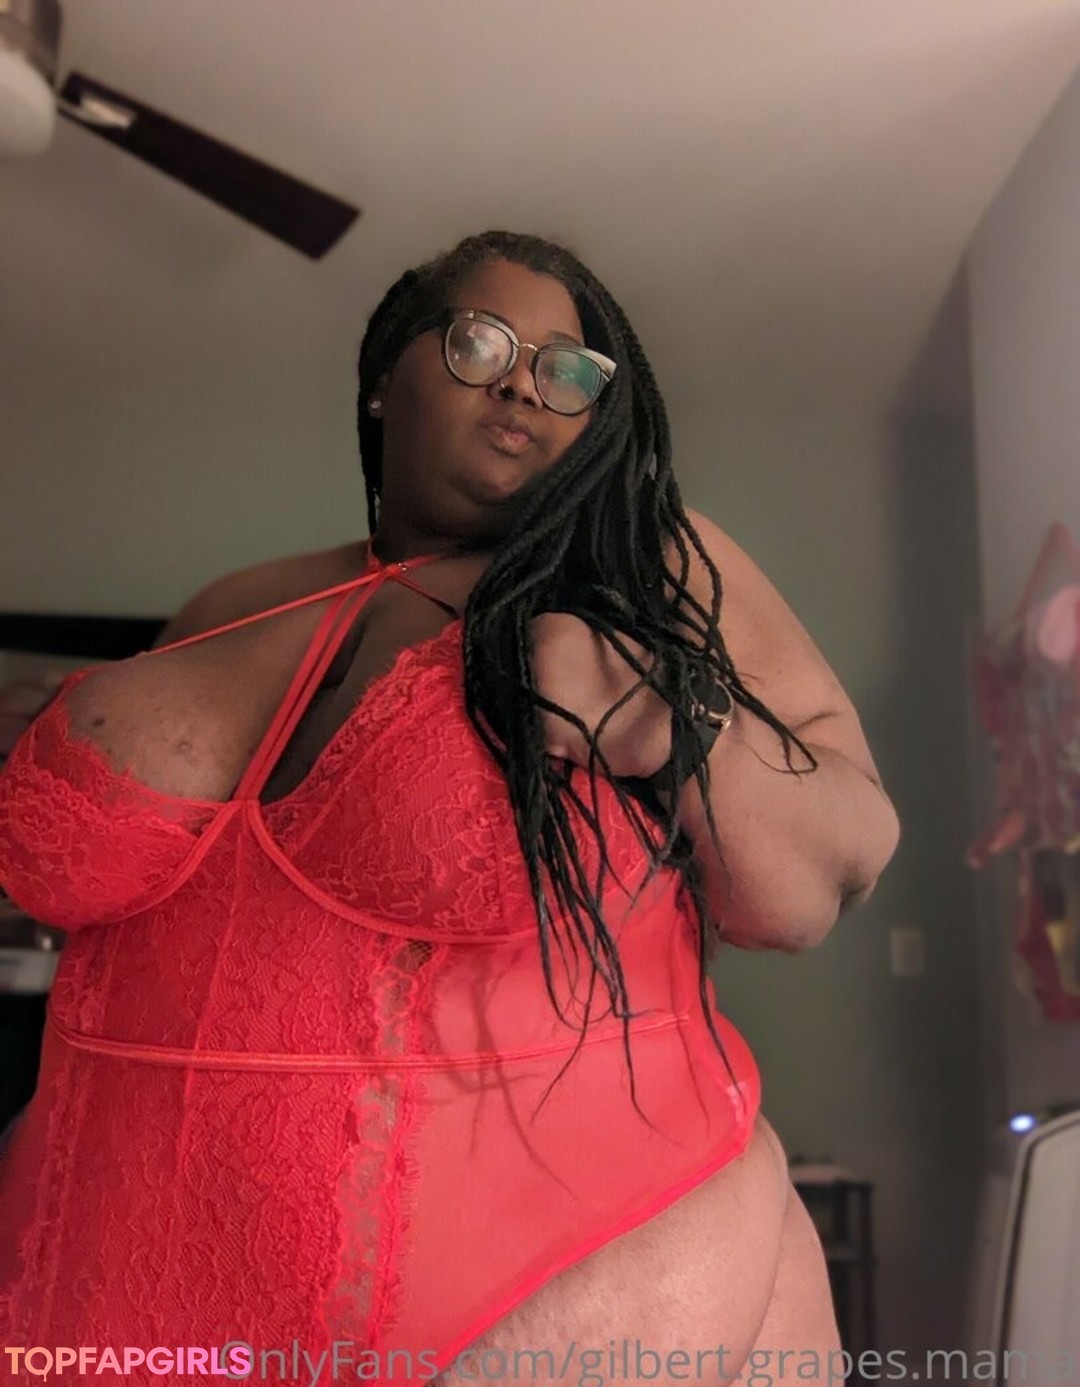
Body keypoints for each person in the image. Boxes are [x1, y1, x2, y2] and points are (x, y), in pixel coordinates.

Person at [0, 231, 899, 1386]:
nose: (523, 384)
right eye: (482, 342)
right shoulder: (235, 603)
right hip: (108, 1288)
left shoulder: (643, 562)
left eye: (567, 370)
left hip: (533, 1304)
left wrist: (672, 720)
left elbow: (838, 861)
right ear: (386, 377)